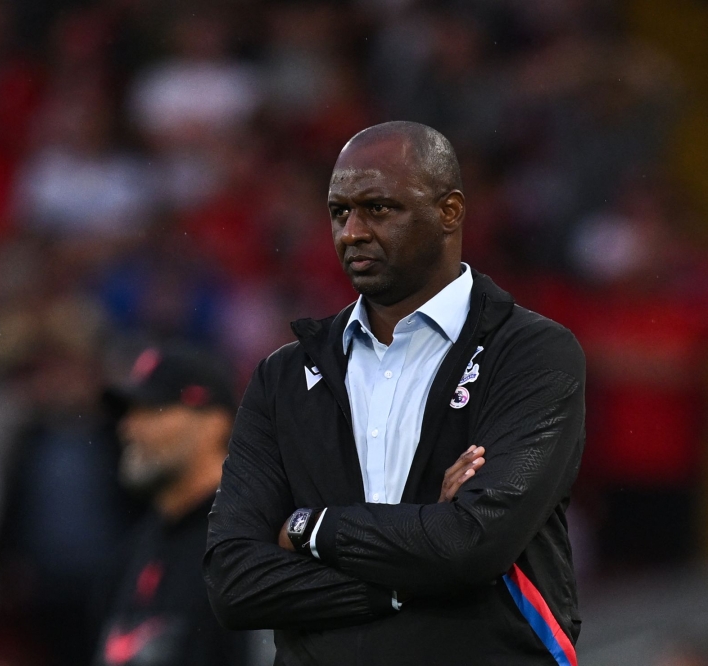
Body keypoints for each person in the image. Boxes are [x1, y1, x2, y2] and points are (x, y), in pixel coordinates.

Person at [204, 121, 585, 665]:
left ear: (450, 212)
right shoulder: (283, 376)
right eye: (339, 212)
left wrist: (310, 527)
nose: (351, 232)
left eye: (378, 209)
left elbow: (475, 543)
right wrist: (412, 569)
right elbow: (233, 581)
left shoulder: (531, 352)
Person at [93, 344, 251, 666]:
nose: (128, 428)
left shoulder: (251, 547)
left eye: (152, 410)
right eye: (128, 413)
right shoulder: (128, 555)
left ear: (215, 423)